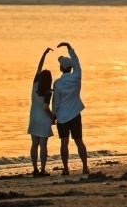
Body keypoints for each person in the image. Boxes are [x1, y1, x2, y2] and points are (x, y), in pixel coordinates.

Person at [52, 42, 88, 176]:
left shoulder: (58, 83)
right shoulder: (76, 76)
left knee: (64, 142)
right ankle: (85, 167)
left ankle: (66, 168)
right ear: (71, 68)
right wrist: (69, 47)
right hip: (75, 114)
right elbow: (76, 62)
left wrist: (53, 115)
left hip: (62, 117)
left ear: (61, 68)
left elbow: (55, 102)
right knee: (79, 141)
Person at [29, 48, 57, 177]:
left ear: (40, 78)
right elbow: (46, 108)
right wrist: (53, 117)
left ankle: (35, 169)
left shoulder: (35, 85)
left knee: (34, 144)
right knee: (43, 145)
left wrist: (44, 54)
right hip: (43, 119)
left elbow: (38, 68)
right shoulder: (48, 92)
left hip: (34, 118)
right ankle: (43, 169)